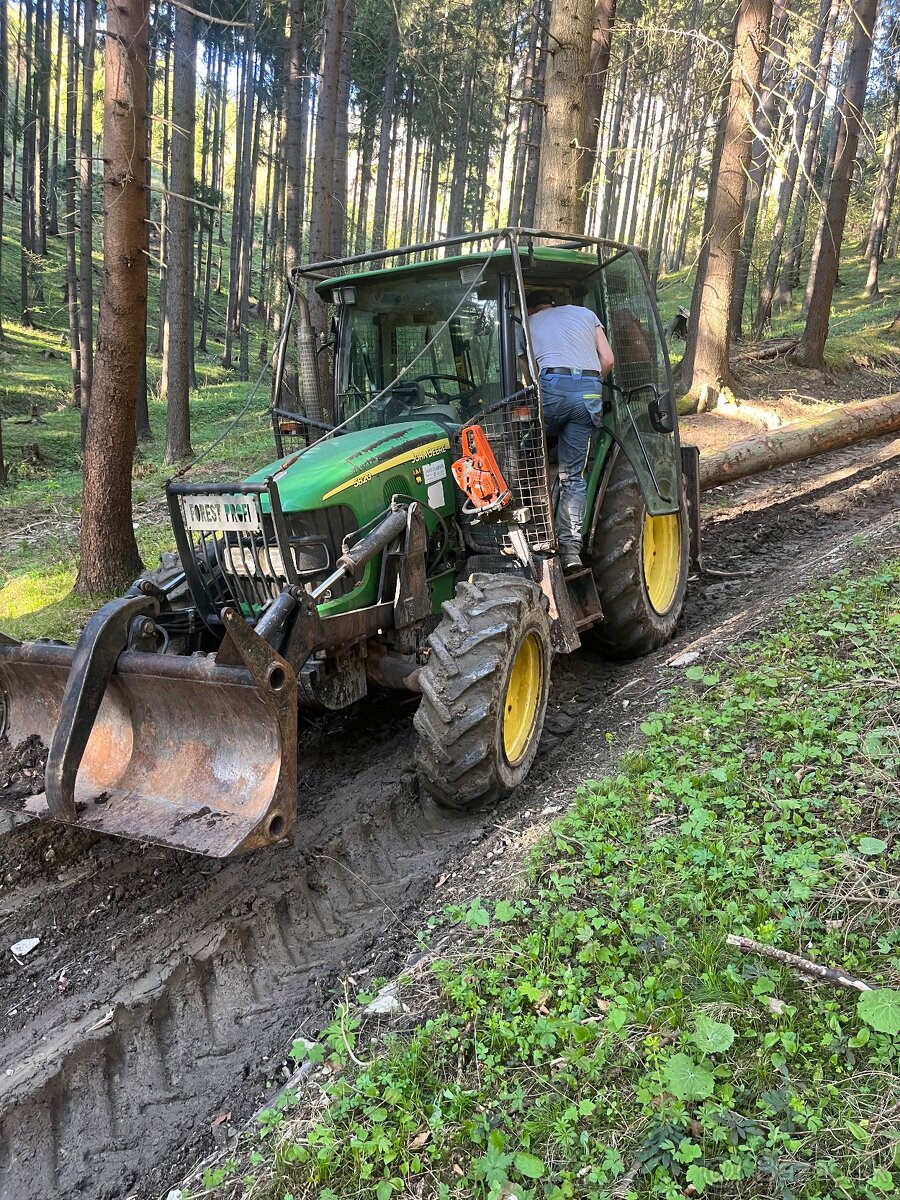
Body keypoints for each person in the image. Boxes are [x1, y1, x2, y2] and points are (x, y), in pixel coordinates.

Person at [520, 290, 615, 571]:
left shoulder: (527, 323)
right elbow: (608, 359)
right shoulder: (586, 314)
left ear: (532, 308)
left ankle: (531, 530)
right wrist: (592, 385)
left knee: (525, 449)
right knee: (573, 475)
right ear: (552, 304)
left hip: (552, 388)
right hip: (588, 392)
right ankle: (571, 551)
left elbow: (529, 376)